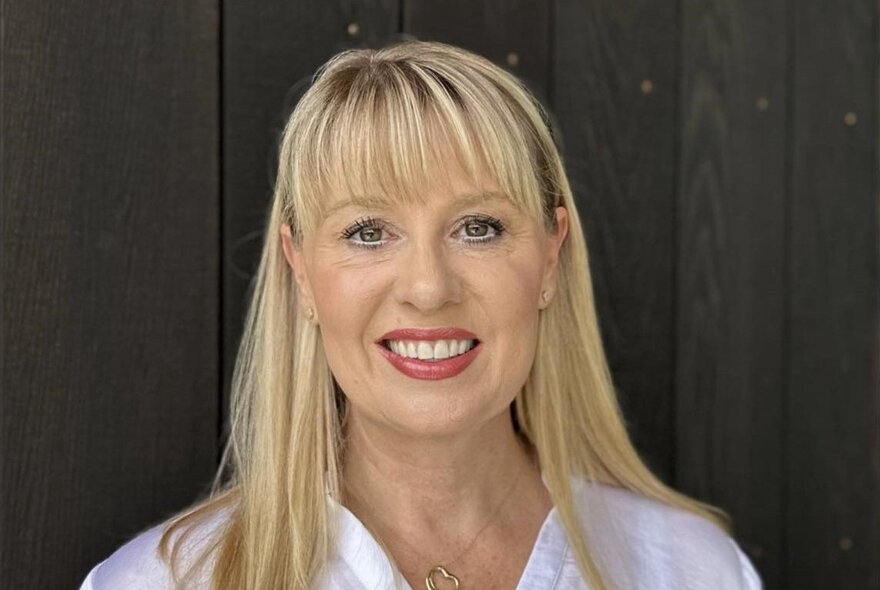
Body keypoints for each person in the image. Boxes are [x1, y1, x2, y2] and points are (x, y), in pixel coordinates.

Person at [80, 40, 762, 590]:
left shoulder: (692, 571)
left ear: (551, 257)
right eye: (368, 232)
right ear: (300, 272)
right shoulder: (163, 583)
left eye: (478, 228)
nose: (429, 288)